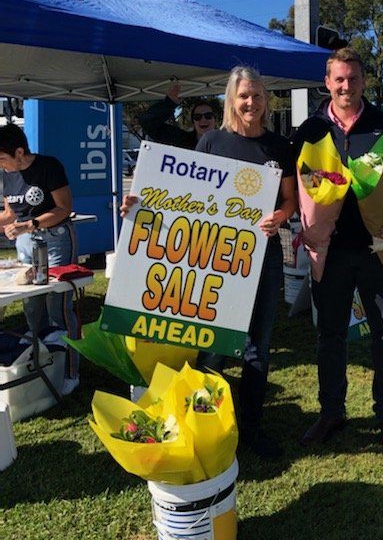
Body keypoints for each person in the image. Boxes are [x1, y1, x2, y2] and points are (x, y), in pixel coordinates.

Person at [122, 66, 296, 459]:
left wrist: (281, 217)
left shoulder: (279, 147)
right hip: (213, 258)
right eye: (243, 96)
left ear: (266, 100)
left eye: (257, 95)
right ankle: (202, 423)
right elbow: (180, 195)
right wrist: (137, 205)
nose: (251, 102)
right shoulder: (213, 142)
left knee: (257, 346)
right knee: (212, 345)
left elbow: (290, 201)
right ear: (231, 100)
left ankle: (251, 427)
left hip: (261, 258)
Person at [294, 47, 383, 456]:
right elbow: (287, 180)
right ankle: (331, 412)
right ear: (327, 83)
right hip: (329, 253)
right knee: (329, 335)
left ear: (364, 81)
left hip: (380, 250)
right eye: (339, 79)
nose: (346, 86)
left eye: (353, 78)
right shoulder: (309, 130)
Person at [0, 124, 79, 396]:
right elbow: (10, 214)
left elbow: (63, 208)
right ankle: (42, 369)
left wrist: (29, 224)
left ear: (19, 151)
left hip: (55, 240)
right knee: (32, 309)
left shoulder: (49, 166)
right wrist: (16, 225)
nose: (1, 165)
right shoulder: (7, 176)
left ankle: (70, 371)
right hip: (25, 245)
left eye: (2, 158)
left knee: (58, 306)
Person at [139, 81, 218, 148]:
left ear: (215, 119)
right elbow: (147, 123)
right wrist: (169, 103)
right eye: (198, 117)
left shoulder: (226, 143)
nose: (203, 120)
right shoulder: (182, 140)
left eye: (208, 116)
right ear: (193, 122)